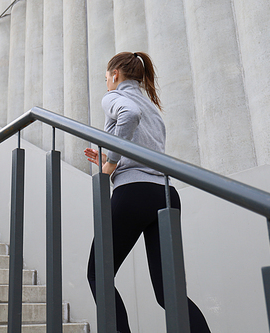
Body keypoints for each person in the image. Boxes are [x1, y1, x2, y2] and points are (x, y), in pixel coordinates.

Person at [84, 52, 211, 333]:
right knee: (169, 292)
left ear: (115, 75)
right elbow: (143, 150)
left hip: (134, 194)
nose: (106, 83)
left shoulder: (115, 97)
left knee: (98, 274)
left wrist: (111, 165)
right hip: (164, 194)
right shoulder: (151, 104)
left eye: (106, 77)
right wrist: (109, 162)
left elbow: (128, 116)